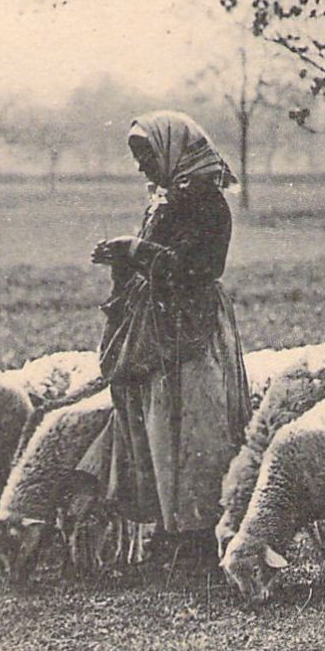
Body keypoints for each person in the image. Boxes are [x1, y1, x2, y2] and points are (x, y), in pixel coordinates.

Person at [79, 110, 250, 565]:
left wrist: (137, 251)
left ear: (172, 151)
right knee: (158, 425)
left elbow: (202, 268)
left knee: (190, 424)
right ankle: (170, 527)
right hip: (158, 326)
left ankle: (196, 534)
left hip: (188, 331)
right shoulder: (169, 197)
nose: (141, 167)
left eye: (146, 156)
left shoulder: (206, 202)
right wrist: (127, 259)